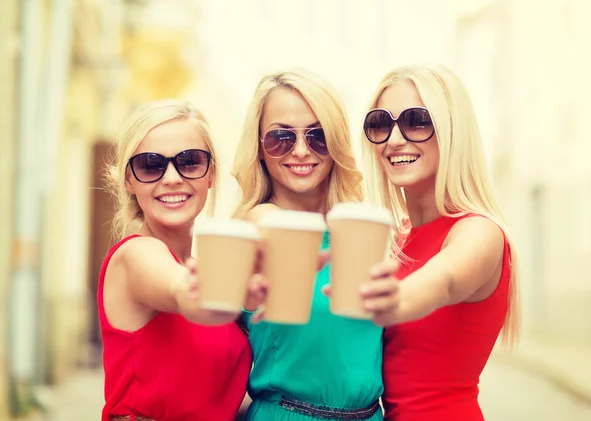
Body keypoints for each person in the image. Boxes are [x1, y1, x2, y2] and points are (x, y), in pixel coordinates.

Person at [231, 68, 397, 421]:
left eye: (318, 136)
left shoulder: (361, 231)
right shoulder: (256, 224)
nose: (302, 151)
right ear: (259, 148)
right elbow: (270, 228)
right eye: (280, 137)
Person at [358, 63, 521, 421]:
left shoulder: (478, 231)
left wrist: (394, 301)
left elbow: (443, 281)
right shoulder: (396, 239)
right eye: (381, 124)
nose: (394, 139)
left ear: (452, 132)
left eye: (417, 121)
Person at [100, 100, 258, 421]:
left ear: (210, 174)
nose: (172, 178)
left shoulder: (202, 271)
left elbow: (216, 400)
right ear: (129, 180)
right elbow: (182, 290)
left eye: (190, 161)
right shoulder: (134, 255)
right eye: (149, 164)